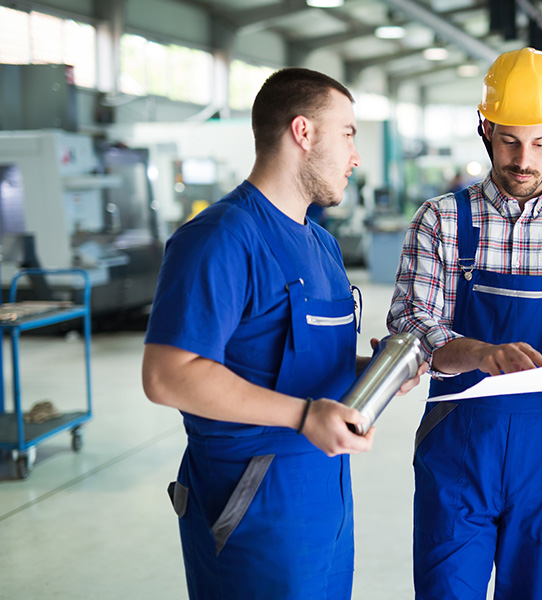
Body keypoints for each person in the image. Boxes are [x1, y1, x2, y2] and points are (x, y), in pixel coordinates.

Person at [142, 68, 422, 600]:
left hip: (325, 498)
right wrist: (302, 415)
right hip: (251, 505)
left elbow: (293, 362)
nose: (356, 155)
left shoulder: (322, 245)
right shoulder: (221, 239)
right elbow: (166, 376)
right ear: (303, 132)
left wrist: (379, 374)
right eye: (348, 134)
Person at [387, 47, 542, 599]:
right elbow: (410, 325)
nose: (523, 159)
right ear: (485, 129)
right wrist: (480, 354)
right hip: (457, 447)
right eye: (508, 140)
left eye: (540, 143)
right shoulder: (441, 220)